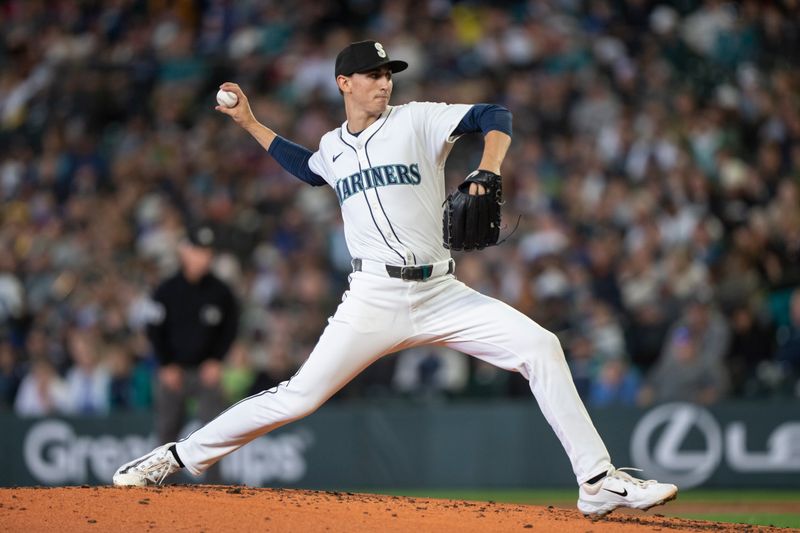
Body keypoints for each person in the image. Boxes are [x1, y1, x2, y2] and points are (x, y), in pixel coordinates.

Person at [113, 40, 677, 517]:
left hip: (441, 291)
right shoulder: (334, 148)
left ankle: (597, 481)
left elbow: (494, 116)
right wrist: (251, 123)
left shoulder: (418, 119)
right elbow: (305, 168)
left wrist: (488, 166)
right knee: (298, 397)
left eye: (388, 74)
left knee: (541, 346)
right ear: (343, 83)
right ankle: (177, 457)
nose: (384, 83)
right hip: (374, 297)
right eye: (372, 75)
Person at [143, 222, 239, 481]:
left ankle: (216, 489)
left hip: (205, 371)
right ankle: (162, 488)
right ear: (185, 251)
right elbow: (153, 330)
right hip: (173, 371)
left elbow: (231, 329)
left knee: (216, 432)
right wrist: (165, 364)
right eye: (198, 250)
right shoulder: (166, 290)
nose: (203, 257)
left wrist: (217, 360)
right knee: (166, 432)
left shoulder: (221, 292)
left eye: (207, 252)